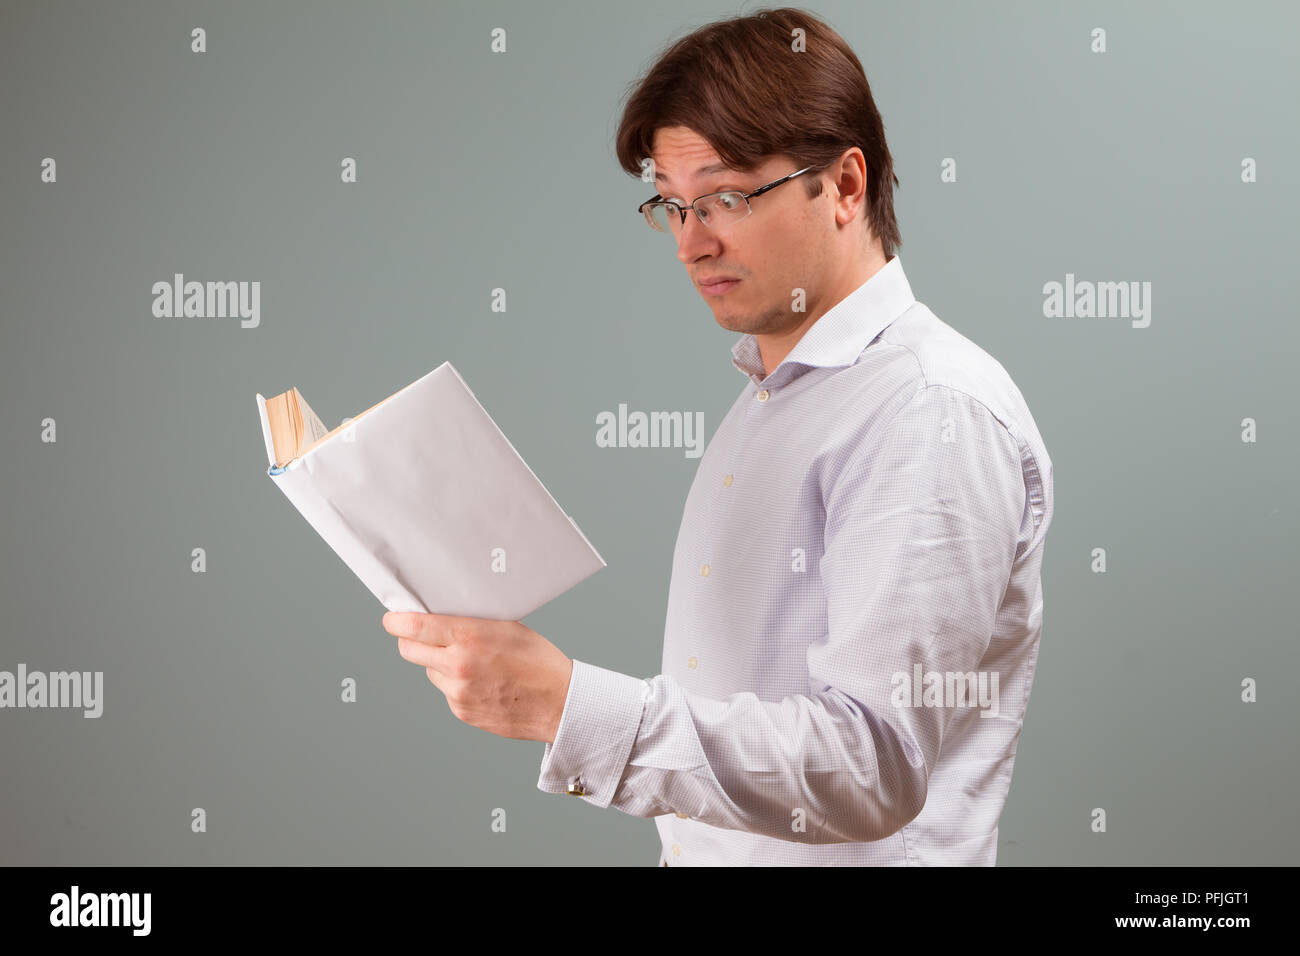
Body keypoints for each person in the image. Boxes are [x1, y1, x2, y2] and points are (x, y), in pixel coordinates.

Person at [383, 6, 1054, 866]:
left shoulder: (928, 410)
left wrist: (567, 707)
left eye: (727, 197)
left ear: (846, 186)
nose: (691, 244)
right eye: (671, 206)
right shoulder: (778, 393)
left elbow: (872, 764)